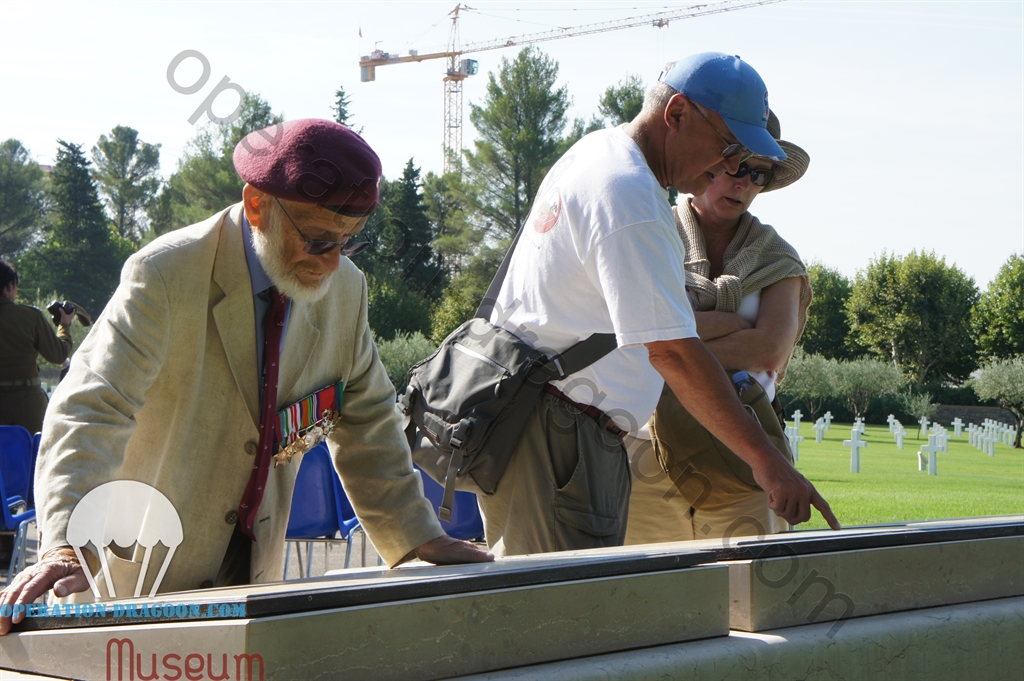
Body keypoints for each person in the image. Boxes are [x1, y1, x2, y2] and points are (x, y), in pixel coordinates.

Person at [0, 119, 491, 634]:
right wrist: (66, 544)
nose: (330, 266)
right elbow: (91, 408)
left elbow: (369, 423)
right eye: (319, 240)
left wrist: (417, 536)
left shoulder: (348, 290)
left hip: (254, 581)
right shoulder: (164, 274)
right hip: (140, 581)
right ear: (257, 205)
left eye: (349, 243)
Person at [478, 52, 839, 558]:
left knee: (579, 611)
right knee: (555, 614)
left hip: (556, 424)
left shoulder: (596, 155)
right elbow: (670, 348)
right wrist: (768, 460)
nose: (732, 169)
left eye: (749, 166)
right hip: (559, 435)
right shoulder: (631, 197)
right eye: (729, 147)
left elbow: (750, 347)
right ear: (676, 115)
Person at [625, 111, 814, 545]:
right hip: (642, 451)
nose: (743, 182)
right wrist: (733, 325)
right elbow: (627, 337)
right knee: (648, 593)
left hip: (745, 454)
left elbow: (768, 350)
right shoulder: (650, 233)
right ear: (707, 162)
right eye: (735, 166)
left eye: (759, 174)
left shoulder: (777, 259)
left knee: (750, 595)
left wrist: (670, 338)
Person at [0, 258, 74, 434]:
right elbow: (58, 354)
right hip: (28, 406)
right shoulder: (30, 317)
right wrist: (64, 325)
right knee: (34, 456)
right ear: (10, 286)